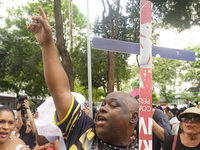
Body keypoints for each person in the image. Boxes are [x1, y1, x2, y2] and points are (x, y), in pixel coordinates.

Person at [28, 6, 139, 150]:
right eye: (104, 104)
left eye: (113, 105)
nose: (103, 108)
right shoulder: (83, 130)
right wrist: (47, 44)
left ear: (133, 117)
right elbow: (60, 90)